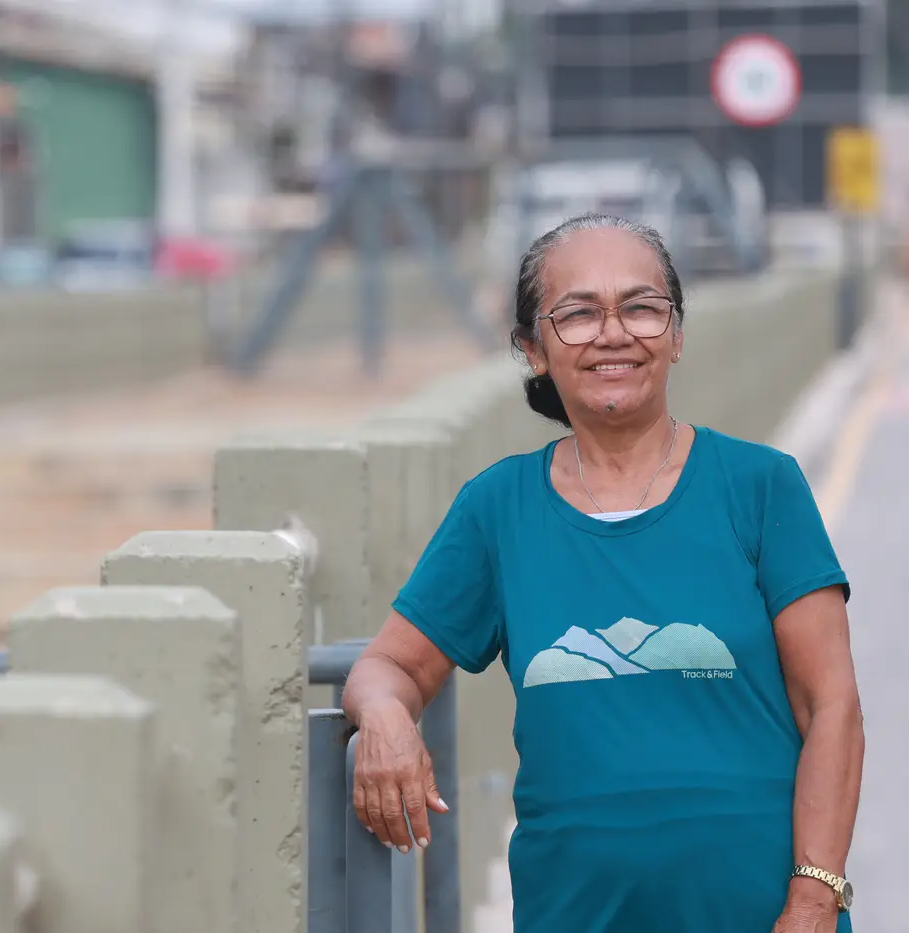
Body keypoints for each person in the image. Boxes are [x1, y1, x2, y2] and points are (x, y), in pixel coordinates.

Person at [341, 213, 864, 932]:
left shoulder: (761, 487)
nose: (613, 333)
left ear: (676, 335)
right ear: (534, 349)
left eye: (641, 308)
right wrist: (385, 717)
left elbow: (831, 706)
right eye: (579, 314)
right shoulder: (498, 508)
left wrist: (813, 898)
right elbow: (388, 666)